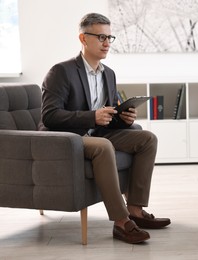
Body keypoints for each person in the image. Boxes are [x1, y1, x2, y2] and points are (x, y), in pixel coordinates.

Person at [39, 13, 170, 244]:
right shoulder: (61, 71)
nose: (107, 42)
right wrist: (92, 117)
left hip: (96, 133)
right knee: (103, 146)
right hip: (65, 137)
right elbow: (50, 116)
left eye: (110, 37)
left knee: (147, 138)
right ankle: (121, 223)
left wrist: (124, 119)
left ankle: (135, 211)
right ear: (83, 38)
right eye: (101, 37)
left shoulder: (108, 74)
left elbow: (106, 117)